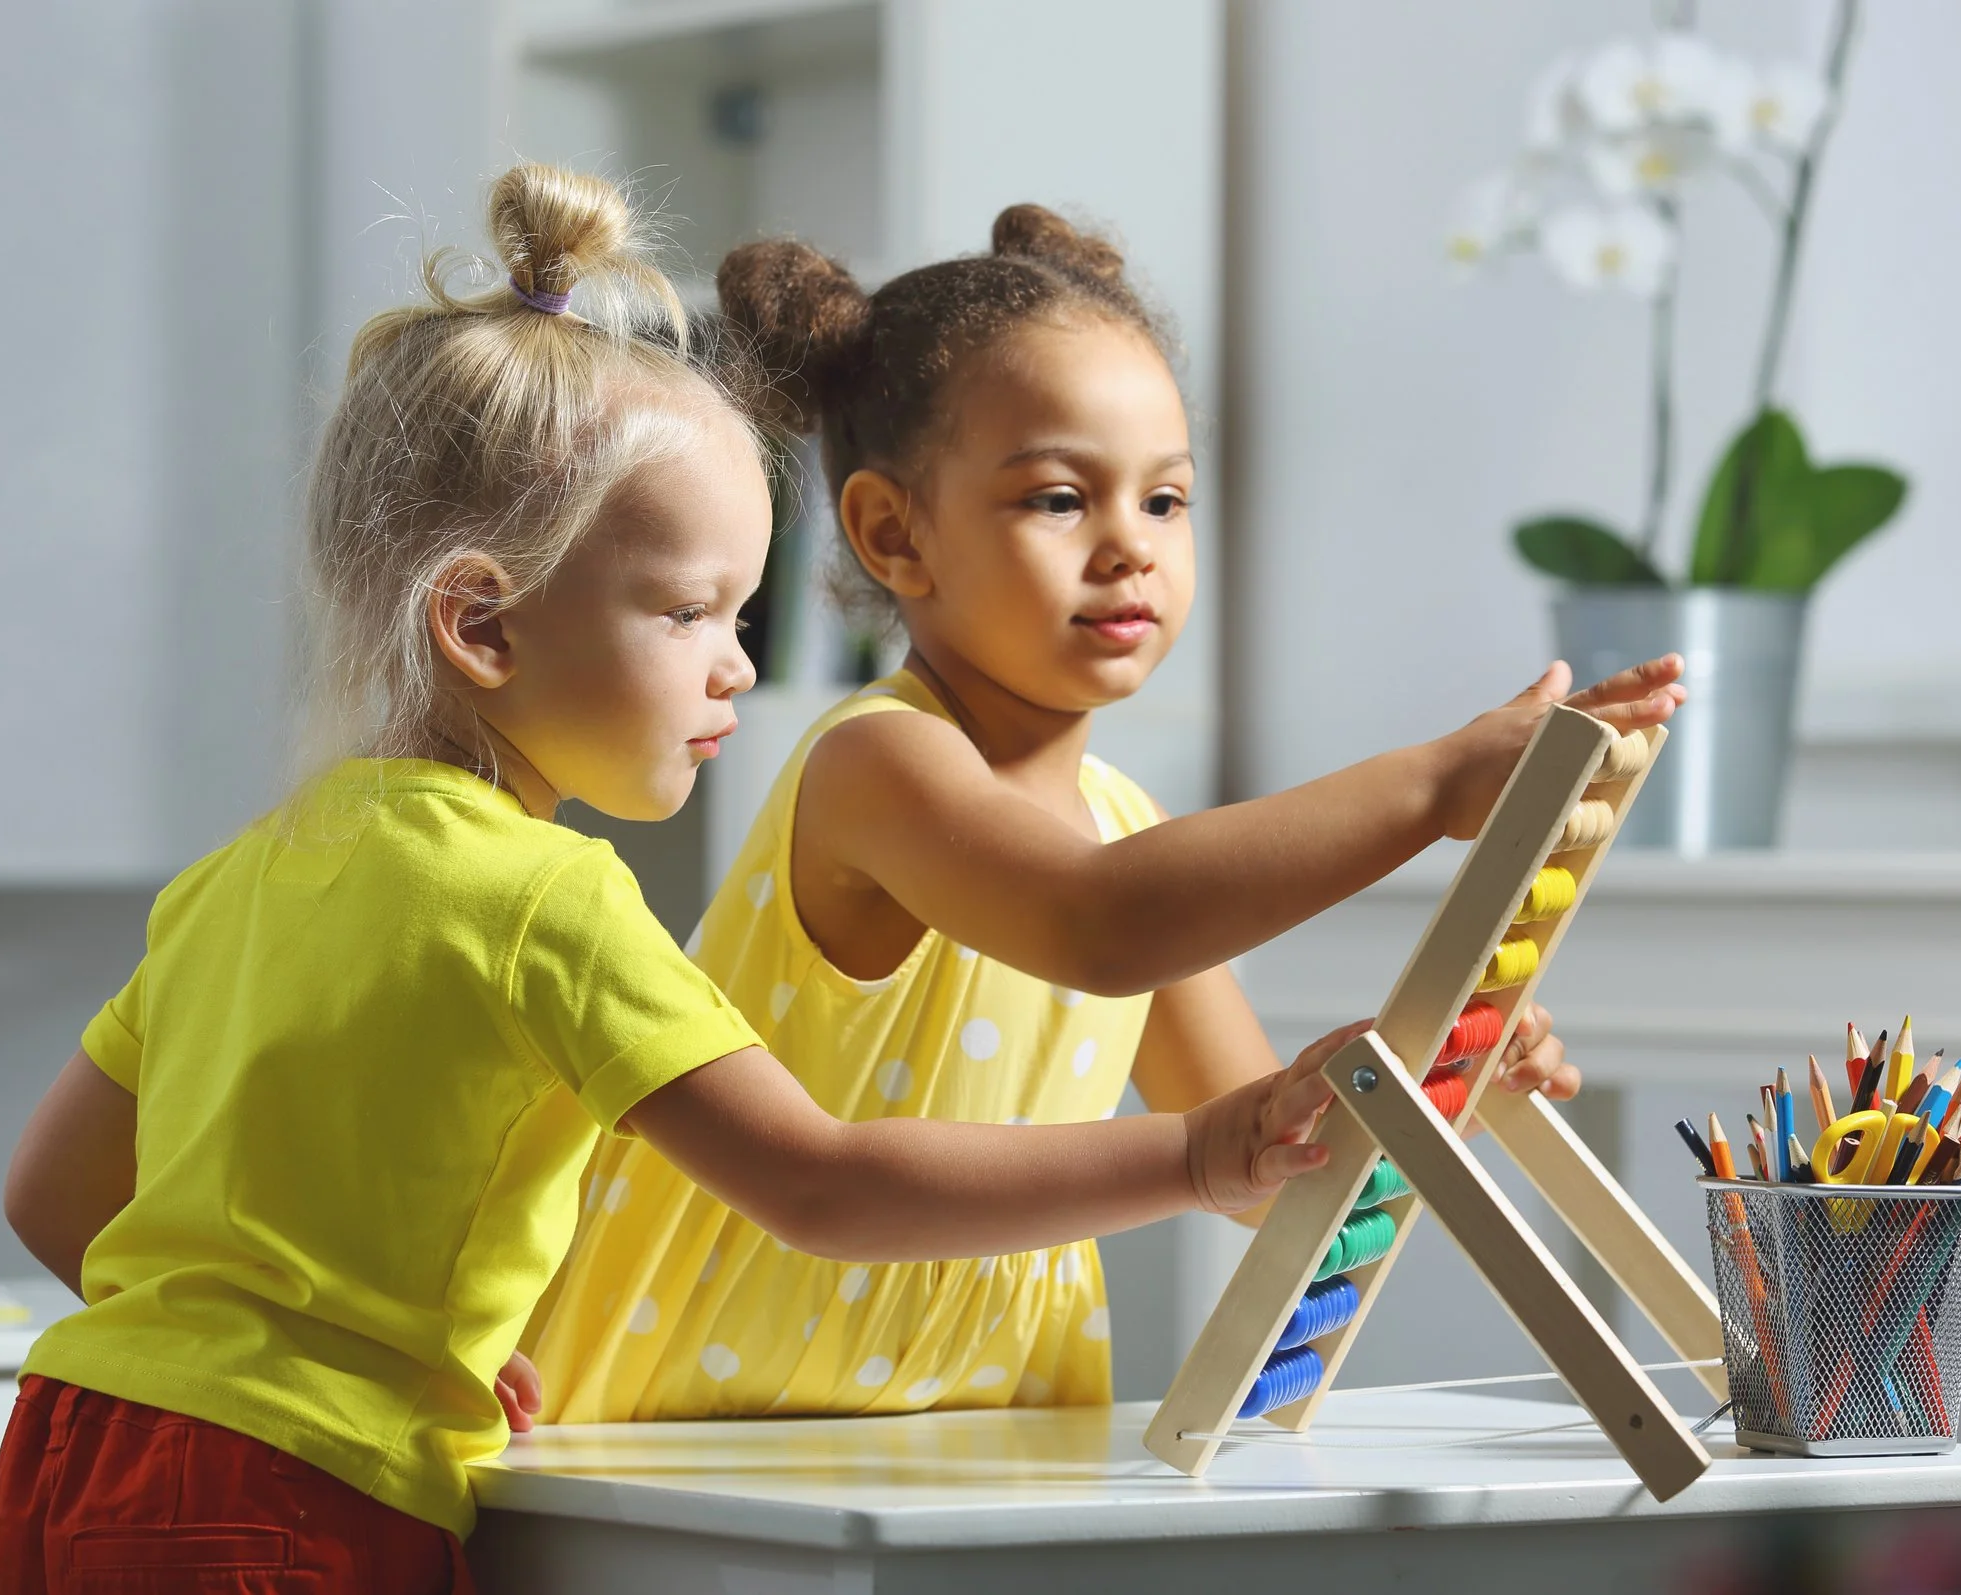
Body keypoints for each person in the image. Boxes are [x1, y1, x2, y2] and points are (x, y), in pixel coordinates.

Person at [0, 166, 1376, 1587]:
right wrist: (1194, 1155)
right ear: (484, 623)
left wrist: (242, 1353)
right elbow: (823, 1186)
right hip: (295, 1498)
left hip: (75, 1439)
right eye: (691, 609)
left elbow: (55, 1193)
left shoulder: (244, 872)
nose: (739, 664)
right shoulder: (551, 901)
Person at [520, 205, 1686, 1424]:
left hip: (981, 1434)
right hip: (688, 1428)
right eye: (1062, 499)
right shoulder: (877, 767)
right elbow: (1099, 921)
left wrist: (1445, 1059)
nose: (1131, 546)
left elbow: (1270, 1173)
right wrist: (1433, 783)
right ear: (890, 532)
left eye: (1166, 501)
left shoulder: (1119, 820)